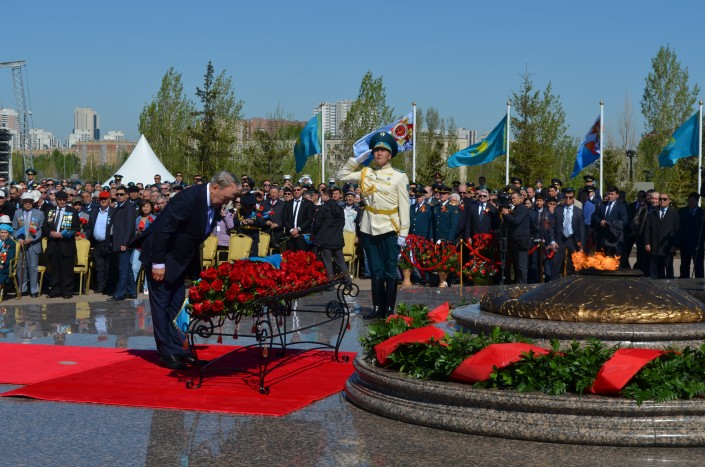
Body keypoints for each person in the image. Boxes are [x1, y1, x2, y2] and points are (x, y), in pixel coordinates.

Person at [133, 171, 240, 370]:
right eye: (227, 197)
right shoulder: (189, 198)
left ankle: (179, 349)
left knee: (177, 305)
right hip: (161, 256)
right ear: (215, 188)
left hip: (178, 260)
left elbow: (193, 237)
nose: (228, 202)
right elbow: (164, 229)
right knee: (161, 304)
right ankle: (166, 352)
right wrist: (158, 263)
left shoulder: (215, 203)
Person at [338, 131, 410, 319]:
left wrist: (404, 233)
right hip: (369, 227)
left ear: (390, 155)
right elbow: (341, 175)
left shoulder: (399, 176)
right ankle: (378, 308)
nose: (378, 153)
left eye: (383, 151)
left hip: (389, 227)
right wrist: (356, 160)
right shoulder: (366, 173)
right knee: (376, 269)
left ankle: (389, 310)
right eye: (376, 150)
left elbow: (404, 207)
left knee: (390, 269)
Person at [41, 190, 81, 298]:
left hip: (66, 244)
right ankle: (55, 290)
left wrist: (65, 234)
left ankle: (67, 292)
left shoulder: (72, 211)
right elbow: (44, 226)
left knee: (67, 270)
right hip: (53, 244)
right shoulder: (50, 210)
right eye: (60, 200)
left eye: (64, 200)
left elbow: (76, 228)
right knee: (54, 269)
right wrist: (50, 233)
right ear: (56, 199)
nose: (62, 202)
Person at [312, 188, 350, 281]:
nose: (321, 197)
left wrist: (317, 234)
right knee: (341, 262)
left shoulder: (322, 208)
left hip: (325, 240)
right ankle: (349, 282)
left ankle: (330, 285)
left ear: (326, 196)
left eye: (322, 195)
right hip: (337, 239)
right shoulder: (340, 208)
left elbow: (316, 224)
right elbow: (342, 224)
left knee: (328, 264)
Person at [107, 186, 137, 301]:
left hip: (124, 243)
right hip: (118, 241)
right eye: (117, 194)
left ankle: (120, 293)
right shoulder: (119, 206)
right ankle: (132, 291)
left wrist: (125, 243)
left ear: (127, 195)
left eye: (121, 194)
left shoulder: (129, 207)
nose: (119, 196)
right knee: (127, 268)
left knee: (122, 269)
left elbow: (130, 227)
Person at [13, 193, 44, 297]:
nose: (27, 203)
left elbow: (41, 229)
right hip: (22, 243)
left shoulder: (39, 213)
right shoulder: (17, 213)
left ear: (33, 202)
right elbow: (14, 228)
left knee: (33, 267)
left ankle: (34, 289)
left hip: (33, 244)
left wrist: (32, 239)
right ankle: (23, 288)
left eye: (30, 201)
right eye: (25, 201)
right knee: (21, 267)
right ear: (22, 202)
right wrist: (19, 238)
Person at [644, 192, 680, 279]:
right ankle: (655, 284)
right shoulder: (653, 212)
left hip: (668, 247)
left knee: (668, 267)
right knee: (655, 268)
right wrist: (647, 243)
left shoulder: (674, 213)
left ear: (669, 201)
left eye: (664, 199)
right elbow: (647, 229)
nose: (662, 201)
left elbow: (677, 230)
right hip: (655, 245)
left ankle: (669, 284)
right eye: (660, 199)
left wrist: (675, 245)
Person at [86, 191, 115, 294]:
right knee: (99, 267)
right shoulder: (94, 211)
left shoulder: (113, 211)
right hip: (97, 243)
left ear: (109, 200)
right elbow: (89, 227)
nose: (103, 200)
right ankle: (100, 287)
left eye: (105, 199)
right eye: (101, 199)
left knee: (109, 267)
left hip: (108, 243)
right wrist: (86, 238)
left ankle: (108, 287)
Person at [500, 189, 531, 284]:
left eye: (514, 198)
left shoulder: (522, 209)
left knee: (521, 265)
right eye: (512, 198)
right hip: (514, 241)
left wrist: (507, 214)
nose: (512, 200)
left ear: (521, 199)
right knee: (516, 264)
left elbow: (516, 221)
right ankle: (517, 282)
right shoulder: (516, 208)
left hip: (521, 241)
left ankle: (523, 284)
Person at [553, 187, 584, 278]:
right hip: (560, 239)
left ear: (573, 198)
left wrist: (581, 244)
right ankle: (554, 282)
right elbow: (552, 226)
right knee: (557, 264)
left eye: (570, 197)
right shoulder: (558, 210)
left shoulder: (578, 211)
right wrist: (552, 241)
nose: (568, 199)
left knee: (575, 265)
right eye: (566, 197)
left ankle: (575, 281)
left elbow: (582, 229)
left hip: (573, 240)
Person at [592, 185, 629, 258]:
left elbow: (625, 222)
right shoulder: (602, 205)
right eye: (609, 194)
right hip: (602, 238)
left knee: (613, 260)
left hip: (614, 239)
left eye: (612, 194)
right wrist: (600, 221)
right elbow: (594, 216)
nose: (610, 196)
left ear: (617, 195)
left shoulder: (621, 206)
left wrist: (609, 223)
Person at [679, 192, 705, 278]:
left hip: (698, 244)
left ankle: (699, 282)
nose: (690, 203)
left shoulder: (702, 213)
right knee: (684, 265)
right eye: (689, 201)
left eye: (693, 201)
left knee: (698, 266)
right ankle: (684, 282)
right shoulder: (682, 212)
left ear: (697, 201)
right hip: (685, 243)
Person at [282, 184, 314, 252]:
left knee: (302, 256)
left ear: (302, 191)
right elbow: (284, 219)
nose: (296, 191)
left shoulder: (308, 203)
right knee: (290, 256)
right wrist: (291, 230)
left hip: (302, 235)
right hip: (290, 235)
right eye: (294, 190)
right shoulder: (288, 204)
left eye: (298, 190)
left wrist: (298, 229)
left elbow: (309, 219)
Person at [133, 200, 156, 295]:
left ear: (151, 208)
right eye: (143, 206)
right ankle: (132, 287)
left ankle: (146, 287)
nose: (145, 208)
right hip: (138, 246)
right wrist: (137, 232)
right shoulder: (138, 218)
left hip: (149, 247)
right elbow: (133, 231)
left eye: (147, 206)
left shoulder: (154, 218)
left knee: (147, 268)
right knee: (134, 267)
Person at [0, 223, 16, 297]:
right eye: (1, 232)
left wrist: (2, 265)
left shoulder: (11, 243)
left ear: (9, 234)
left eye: (5, 232)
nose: (3, 234)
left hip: (6, 266)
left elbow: (9, 257)